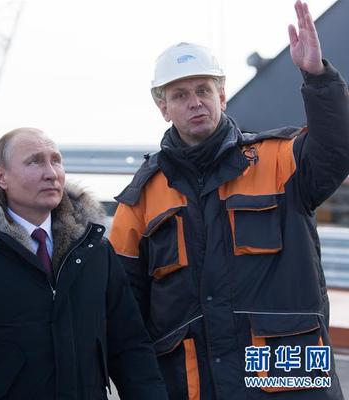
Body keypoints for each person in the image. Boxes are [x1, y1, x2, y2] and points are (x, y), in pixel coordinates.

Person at [109, 1, 349, 399]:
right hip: (195, 385)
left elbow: (338, 149)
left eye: (204, 89)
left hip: (291, 378)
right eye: (180, 94)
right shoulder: (140, 200)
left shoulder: (279, 159)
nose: (195, 101)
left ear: (222, 93)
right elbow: (124, 313)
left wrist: (318, 78)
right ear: (162, 107)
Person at [0, 127, 168, 399]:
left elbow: (131, 348)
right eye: (34, 161)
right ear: (1, 176)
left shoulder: (94, 251)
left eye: (55, 160)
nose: (50, 173)